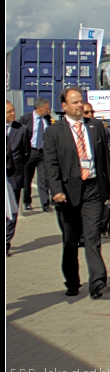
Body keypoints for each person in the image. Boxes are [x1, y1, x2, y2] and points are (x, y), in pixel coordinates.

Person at [44, 87, 110, 299]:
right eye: (74, 102)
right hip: (68, 192)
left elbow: (104, 157)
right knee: (70, 239)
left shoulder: (95, 127)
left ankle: (97, 282)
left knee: (92, 237)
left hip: (93, 188)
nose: (80, 105)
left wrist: (109, 186)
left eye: (81, 101)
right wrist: (55, 190)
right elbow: (50, 163)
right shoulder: (54, 132)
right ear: (64, 106)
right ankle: (72, 282)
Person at [6, 101, 31, 255]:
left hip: (13, 176)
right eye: (9, 112)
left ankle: (6, 242)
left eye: (13, 111)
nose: (13, 114)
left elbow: (26, 152)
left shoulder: (21, 129)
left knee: (11, 212)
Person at [18, 98, 52, 212]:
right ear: (39, 108)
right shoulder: (25, 119)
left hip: (42, 152)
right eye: (46, 108)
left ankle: (45, 203)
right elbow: (18, 135)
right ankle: (27, 201)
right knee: (27, 178)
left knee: (43, 179)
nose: (48, 110)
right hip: (30, 152)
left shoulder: (47, 119)